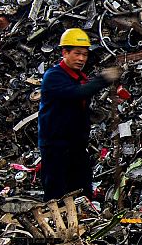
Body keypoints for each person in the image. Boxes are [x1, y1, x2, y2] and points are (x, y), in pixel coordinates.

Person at [38, 28, 120, 201]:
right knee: (56, 191)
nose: (81, 59)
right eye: (77, 53)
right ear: (65, 52)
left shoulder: (78, 77)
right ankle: (55, 224)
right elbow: (77, 93)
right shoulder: (53, 77)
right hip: (56, 145)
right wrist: (103, 79)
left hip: (76, 144)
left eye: (85, 54)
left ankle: (83, 222)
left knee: (82, 188)